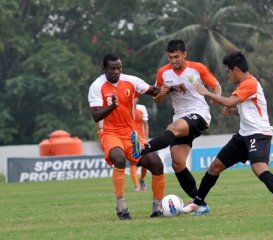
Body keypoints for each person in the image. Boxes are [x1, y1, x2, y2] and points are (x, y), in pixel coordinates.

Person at [182, 51, 273, 215]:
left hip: (258, 134)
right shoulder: (243, 86)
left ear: (236, 69)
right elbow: (249, 110)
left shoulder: (250, 83)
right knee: (215, 167)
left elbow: (228, 100)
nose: (228, 75)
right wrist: (235, 111)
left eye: (228, 72)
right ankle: (199, 203)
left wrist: (206, 92)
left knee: (259, 167)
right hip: (244, 135)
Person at [132, 39, 222, 215]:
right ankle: (200, 203)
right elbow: (156, 99)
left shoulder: (197, 68)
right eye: (170, 57)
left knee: (172, 128)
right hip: (180, 117)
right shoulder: (163, 73)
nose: (173, 61)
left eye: (176, 57)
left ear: (184, 54)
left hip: (199, 114)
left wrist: (215, 97)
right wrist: (162, 93)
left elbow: (216, 85)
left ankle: (142, 148)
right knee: (177, 162)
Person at [88, 53, 168, 220]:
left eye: (119, 68)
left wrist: (171, 88)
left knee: (157, 164)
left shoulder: (131, 81)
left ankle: (157, 209)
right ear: (104, 69)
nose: (116, 71)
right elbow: (96, 116)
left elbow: (153, 91)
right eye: (112, 69)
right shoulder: (97, 86)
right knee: (119, 158)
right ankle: (121, 206)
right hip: (109, 133)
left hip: (131, 136)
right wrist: (111, 106)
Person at [129, 97, 149, 192]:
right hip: (129, 138)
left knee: (145, 162)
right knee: (133, 162)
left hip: (141, 138)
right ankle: (136, 186)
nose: (134, 99)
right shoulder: (125, 108)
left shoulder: (142, 108)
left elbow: (145, 124)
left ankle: (141, 180)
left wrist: (146, 138)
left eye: (135, 97)